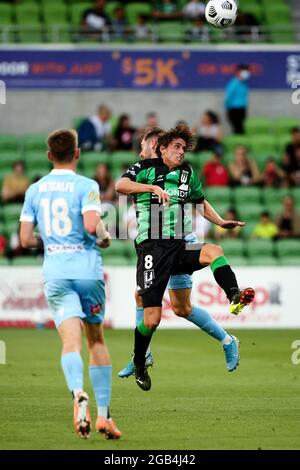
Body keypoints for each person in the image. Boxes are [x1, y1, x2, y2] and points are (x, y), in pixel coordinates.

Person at [116, 124, 255, 391]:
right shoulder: (143, 169)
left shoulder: (187, 172)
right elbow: (120, 185)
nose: (182, 152)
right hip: (152, 250)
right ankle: (140, 359)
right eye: (177, 147)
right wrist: (152, 189)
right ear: (161, 148)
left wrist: (220, 221)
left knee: (213, 251)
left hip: (180, 244)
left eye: (184, 147)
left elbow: (199, 201)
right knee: (155, 316)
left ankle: (234, 295)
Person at [19, 129, 121, 440]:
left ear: (49, 155)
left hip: (56, 273)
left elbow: (24, 239)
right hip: (87, 271)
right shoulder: (86, 185)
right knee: (97, 340)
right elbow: (92, 226)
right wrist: (104, 238)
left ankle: (78, 393)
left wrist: (50, 242)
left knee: (70, 343)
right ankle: (103, 416)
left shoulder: (35, 190)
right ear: (77, 154)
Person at [224, 64, 251, 135]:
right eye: (244, 71)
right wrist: (227, 109)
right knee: (237, 129)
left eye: (247, 71)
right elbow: (227, 98)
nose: (246, 73)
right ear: (238, 72)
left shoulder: (244, 84)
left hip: (242, 109)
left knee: (241, 129)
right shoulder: (233, 83)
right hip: (234, 110)